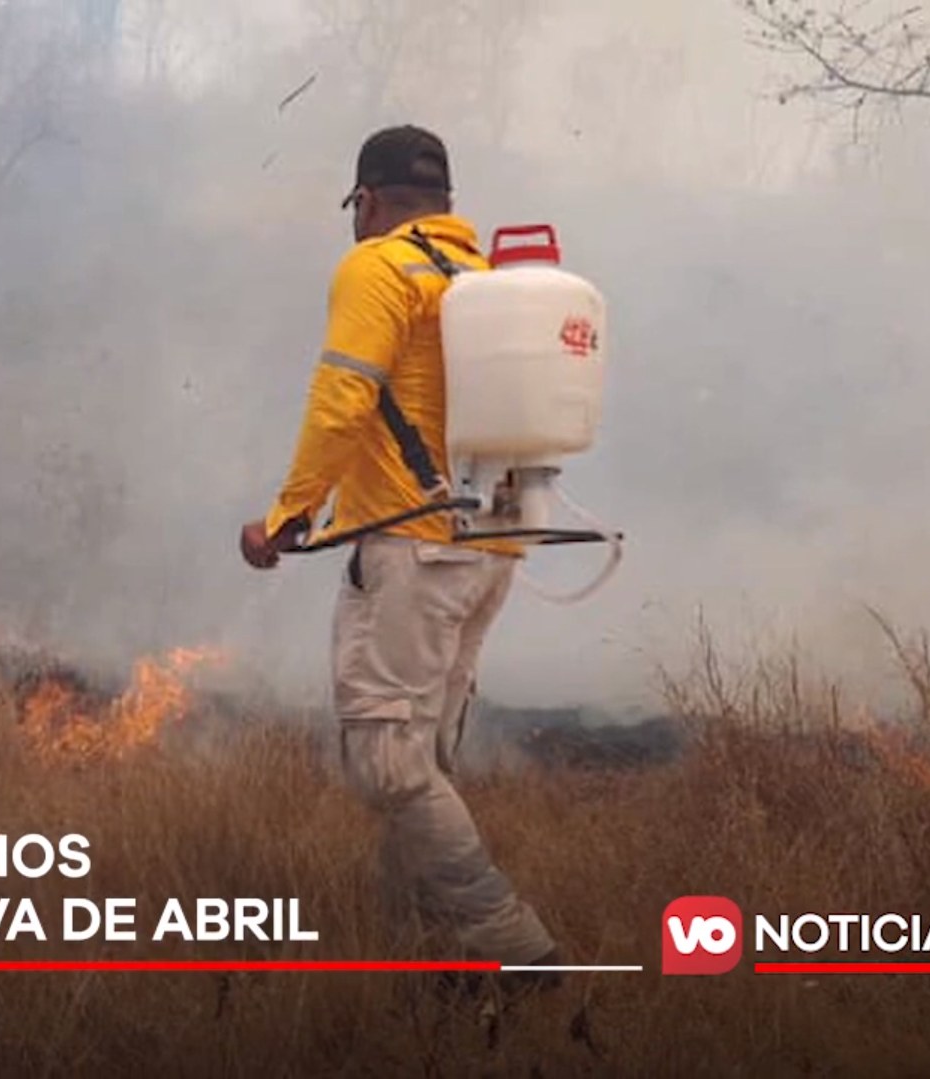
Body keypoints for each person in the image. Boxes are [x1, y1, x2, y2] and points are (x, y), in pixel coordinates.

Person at [240, 125, 563, 993]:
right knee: (423, 757)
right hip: (490, 547)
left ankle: (514, 946)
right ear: (447, 205)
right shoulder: (484, 279)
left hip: (415, 548)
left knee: (386, 762)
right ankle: (428, 959)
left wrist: (285, 514)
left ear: (367, 202)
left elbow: (344, 396)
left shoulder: (377, 268)